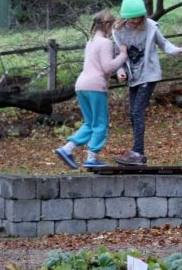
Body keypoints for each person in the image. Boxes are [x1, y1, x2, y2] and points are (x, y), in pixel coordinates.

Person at [110, 0, 182, 166]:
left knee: (137, 112)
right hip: (133, 76)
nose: (137, 21)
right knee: (133, 114)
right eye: (133, 18)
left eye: (139, 17)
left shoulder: (151, 26)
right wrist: (120, 71)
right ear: (125, 17)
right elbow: (118, 55)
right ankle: (138, 152)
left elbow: (164, 44)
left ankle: (138, 153)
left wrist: (177, 50)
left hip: (149, 74)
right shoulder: (118, 32)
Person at [54, 10, 128, 169]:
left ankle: (67, 149)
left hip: (81, 85)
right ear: (108, 25)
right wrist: (123, 55)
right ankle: (92, 158)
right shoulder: (106, 43)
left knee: (90, 123)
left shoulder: (91, 41)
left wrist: (119, 70)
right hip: (95, 86)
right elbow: (107, 68)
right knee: (101, 123)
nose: (113, 30)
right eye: (113, 26)